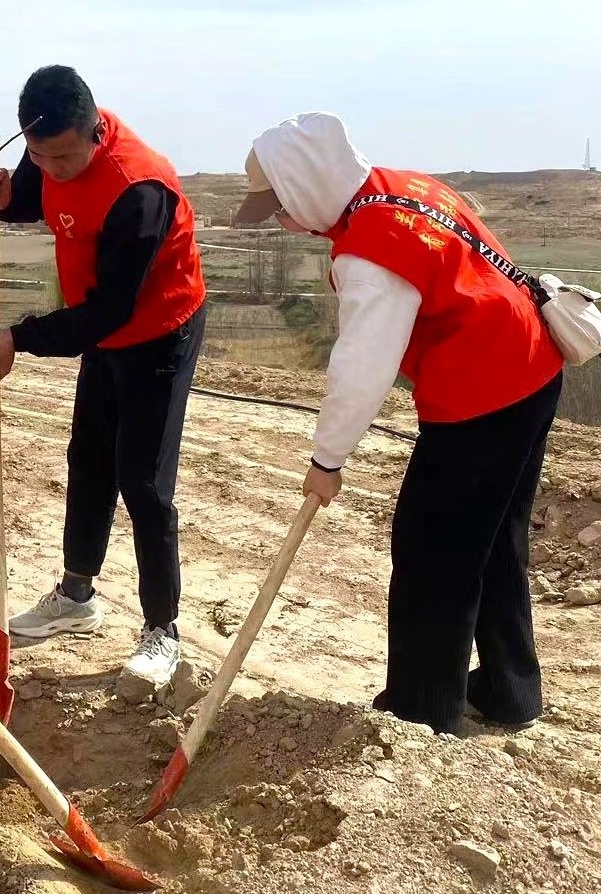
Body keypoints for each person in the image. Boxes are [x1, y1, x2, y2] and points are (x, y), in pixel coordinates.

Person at [235, 111, 564, 736]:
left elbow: (361, 367)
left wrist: (327, 460)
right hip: (532, 366)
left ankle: (421, 708)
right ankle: (507, 691)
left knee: (433, 549)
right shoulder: (401, 187)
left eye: (277, 208)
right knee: (493, 539)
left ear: (304, 189)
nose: (278, 223)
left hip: (483, 394)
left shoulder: (371, 252)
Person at [0, 66, 207, 691]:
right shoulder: (46, 148)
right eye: (38, 157)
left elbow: (112, 310)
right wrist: (5, 198)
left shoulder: (138, 191)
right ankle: (77, 596)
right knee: (90, 458)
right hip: (101, 327)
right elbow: (37, 199)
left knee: (144, 480)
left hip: (156, 328)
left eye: (64, 158)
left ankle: (163, 630)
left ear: (95, 131)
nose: (50, 168)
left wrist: (21, 337)